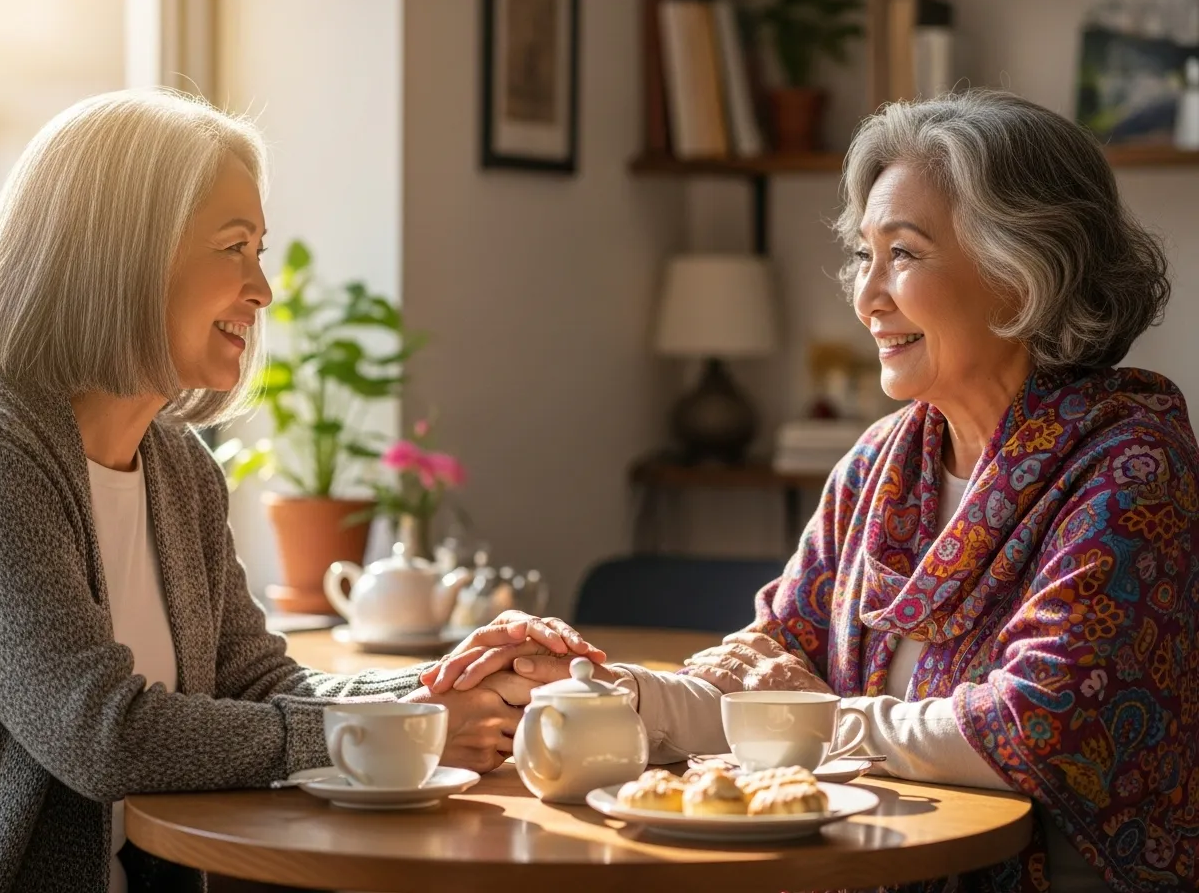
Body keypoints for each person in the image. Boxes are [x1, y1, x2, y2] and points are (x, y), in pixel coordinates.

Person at [425, 90, 1199, 893]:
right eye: (865, 256)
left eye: (903, 253)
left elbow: (1038, 726)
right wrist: (615, 691)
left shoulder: (1134, 470)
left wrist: (806, 727)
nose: (867, 298)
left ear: (1024, 269)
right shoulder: (877, 466)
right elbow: (775, 657)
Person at [0, 89, 602, 893]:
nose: (262, 290)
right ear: (125, 254)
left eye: (259, 252)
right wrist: (410, 727)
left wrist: (450, 683)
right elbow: (103, 736)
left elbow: (260, 685)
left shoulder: (178, 467)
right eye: (232, 248)